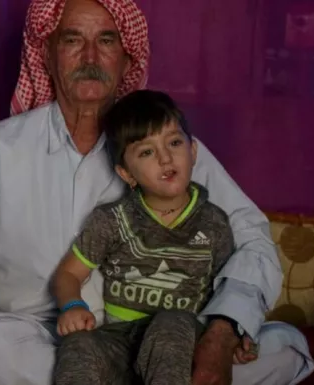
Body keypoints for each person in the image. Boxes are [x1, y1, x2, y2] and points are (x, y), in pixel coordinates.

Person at [0, 1, 314, 385]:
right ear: (46, 54)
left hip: (169, 337)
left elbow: (250, 235)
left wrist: (222, 331)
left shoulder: (172, 150)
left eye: (106, 40)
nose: (90, 57)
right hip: (44, 339)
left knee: (284, 346)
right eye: (73, 40)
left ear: (127, 57)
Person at [52, 89, 258, 385]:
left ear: (194, 151)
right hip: (121, 339)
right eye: (146, 152)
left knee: (171, 321)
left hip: (182, 341)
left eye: (174, 143)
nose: (165, 158)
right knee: (78, 344)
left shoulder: (214, 224)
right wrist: (72, 305)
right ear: (126, 173)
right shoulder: (113, 220)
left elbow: (226, 291)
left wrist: (236, 337)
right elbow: (68, 273)